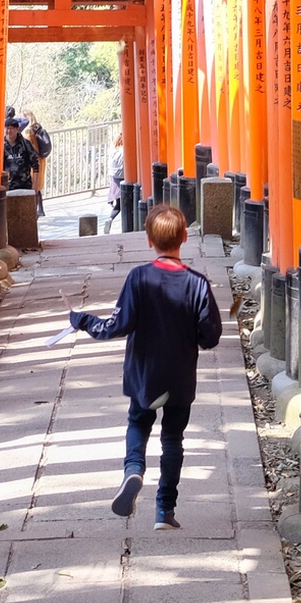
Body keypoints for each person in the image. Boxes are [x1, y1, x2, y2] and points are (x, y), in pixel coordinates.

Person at [67, 202, 222, 529]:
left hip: (144, 379)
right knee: (173, 440)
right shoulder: (197, 284)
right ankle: (164, 510)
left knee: (139, 422)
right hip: (179, 380)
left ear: (149, 240)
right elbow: (210, 337)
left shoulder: (138, 278)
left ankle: (134, 470)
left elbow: (116, 326)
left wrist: (82, 321)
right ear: (184, 237)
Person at [24, 108, 52, 210]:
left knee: (33, 184)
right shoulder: (38, 127)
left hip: (33, 161)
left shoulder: (28, 131)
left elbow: (29, 146)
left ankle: (34, 209)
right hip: (41, 159)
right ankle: (40, 208)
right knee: (38, 185)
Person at [2, 115, 37, 192]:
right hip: (7, 186)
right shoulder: (1, 146)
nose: (9, 131)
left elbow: (35, 165)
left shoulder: (26, 144)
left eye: (12, 128)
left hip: (25, 185)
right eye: (7, 128)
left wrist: (35, 185)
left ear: (17, 129)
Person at [103, 131, 126, 231]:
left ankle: (109, 218)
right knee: (123, 204)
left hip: (114, 179)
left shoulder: (112, 150)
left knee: (119, 204)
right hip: (124, 178)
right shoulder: (124, 151)